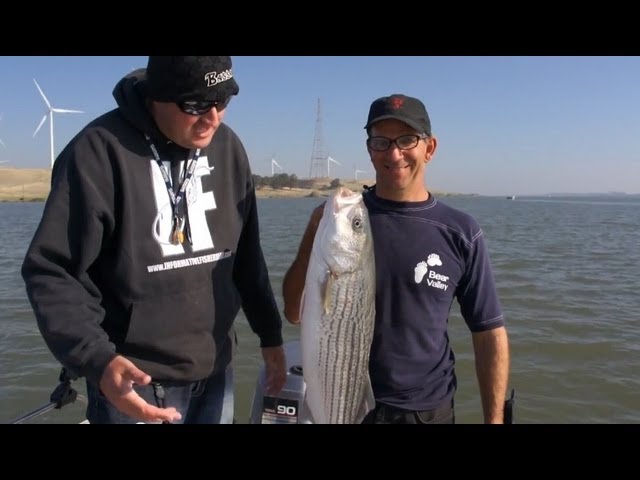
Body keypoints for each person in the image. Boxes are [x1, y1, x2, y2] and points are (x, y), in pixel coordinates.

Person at [21, 56, 286, 424]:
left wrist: (270, 335)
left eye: (223, 100)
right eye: (194, 105)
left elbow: (246, 258)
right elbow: (52, 271)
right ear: (157, 96)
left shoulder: (228, 148)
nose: (213, 118)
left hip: (216, 373)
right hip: (132, 382)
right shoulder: (98, 152)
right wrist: (97, 360)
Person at [283, 94, 510, 424]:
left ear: (429, 148)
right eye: (381, 142)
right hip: (342, 400)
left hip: (425, 411)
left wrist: (495, 418)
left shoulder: (461, 231)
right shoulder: (344, 220)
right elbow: (293, 312)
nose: (393, 153)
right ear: (369, 149)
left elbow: (489, 332)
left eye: (407, 140)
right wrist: (315, 231)